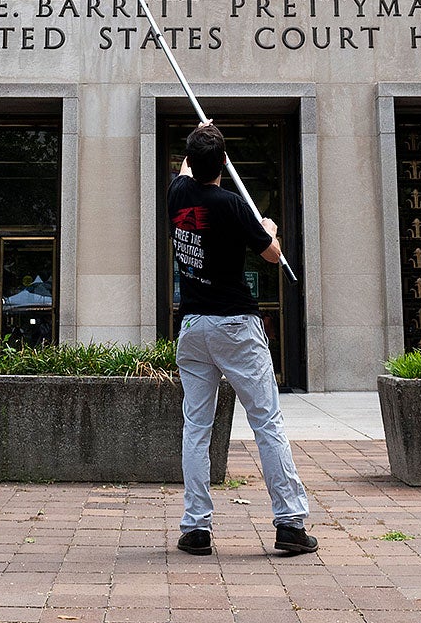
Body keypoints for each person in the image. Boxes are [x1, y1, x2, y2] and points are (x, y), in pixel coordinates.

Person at [168, 121, 316, 557]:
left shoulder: (178, 194)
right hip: (235, 325)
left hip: (193, 327)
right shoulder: (233, 206)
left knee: (196, 427)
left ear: (192, 162)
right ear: (225, 164)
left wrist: (199, 134)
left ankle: (196, 527)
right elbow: (272, 254)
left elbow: (184, 167)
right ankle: (289, 521)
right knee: (266, 421)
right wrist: (268, 228)